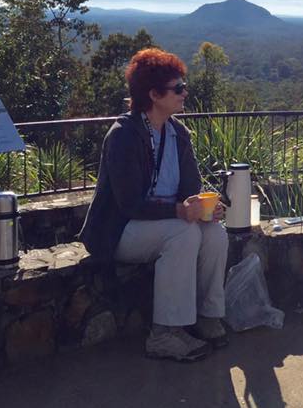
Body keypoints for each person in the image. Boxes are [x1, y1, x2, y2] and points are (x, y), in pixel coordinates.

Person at [79, 48, 229, 362]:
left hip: (163, 223)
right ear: (154, 95)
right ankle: (164, 334)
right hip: (120, 230)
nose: (185, 93)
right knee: (183, 233)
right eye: (178, 88)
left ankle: (206, 316)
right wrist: (178, 212)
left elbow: (190, 189)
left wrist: (203, 209)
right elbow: (129, 204)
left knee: (215, 234)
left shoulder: (178, 133)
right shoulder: (124, 136)